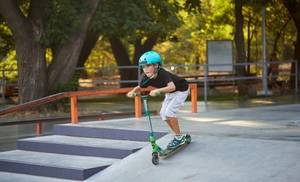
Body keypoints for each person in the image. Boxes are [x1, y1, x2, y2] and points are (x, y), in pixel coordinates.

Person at [127, 50, 190, 150]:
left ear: (156, 65)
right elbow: (140, 86)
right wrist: (133, 91)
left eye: (148, 66)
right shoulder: (146, 77)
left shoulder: (162, 73)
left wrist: (158, 90)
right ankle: (178, 135)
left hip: (181, 90)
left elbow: (172, 87)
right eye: (143, 67)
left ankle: (178, 137)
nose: (145, 69)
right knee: (163, 114)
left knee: (169, 112)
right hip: (170, 92)